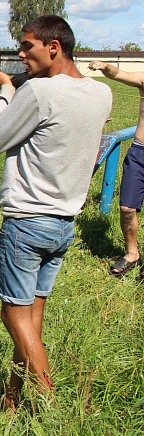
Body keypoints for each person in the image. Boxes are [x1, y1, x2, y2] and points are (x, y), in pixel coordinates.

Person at [0, 15, 112, 410]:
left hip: (26, 222)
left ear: (53, 47)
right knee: (31, 319)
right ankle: (12, 397)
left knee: (13, 316)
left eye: (27, 46)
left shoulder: (37, 91)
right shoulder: (102, 93)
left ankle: (48, 406)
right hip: (64, 225)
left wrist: (6, 92)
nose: (21, 54)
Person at [88, 60, 144, 276]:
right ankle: (132, 254)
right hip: (139, 153)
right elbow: (118, 74)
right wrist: (104, 66)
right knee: (127, 208)